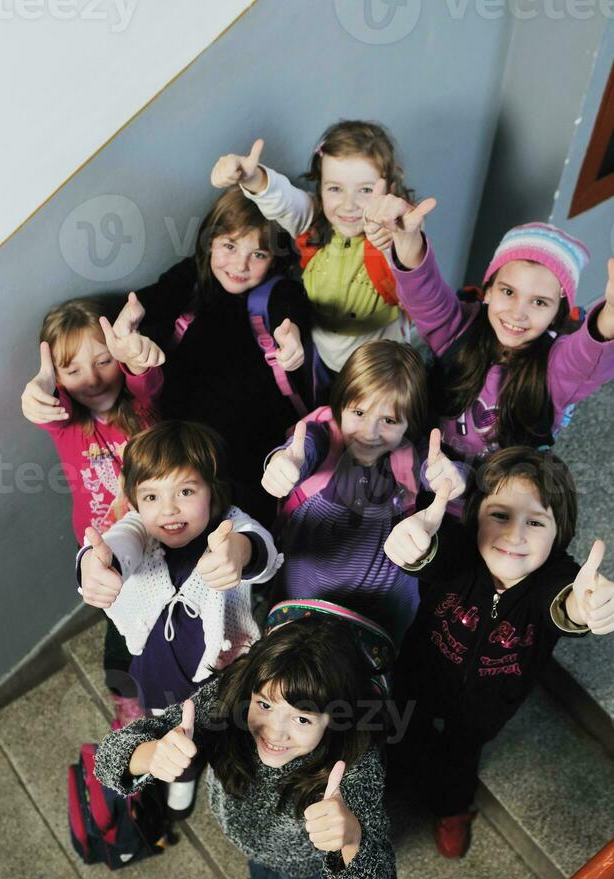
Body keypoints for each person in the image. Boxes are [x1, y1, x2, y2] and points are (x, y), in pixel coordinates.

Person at [94, 617, 396, 879]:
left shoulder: (354, 764)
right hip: (246, 837)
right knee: (259, 874)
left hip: (303, 866)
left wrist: (352, 838)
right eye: (265, 704)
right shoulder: (229, 696)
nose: (275, 733)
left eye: (302, 718)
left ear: (336, 719)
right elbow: (106, 763)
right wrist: (149, 754)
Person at [383, 447, 614, 859]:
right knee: (400, 733)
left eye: (536, 521)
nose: (514, 535)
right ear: (475, 516)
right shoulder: (460, 550)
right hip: (419, 676)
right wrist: (415, 545)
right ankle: (391, 778)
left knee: (460, 758)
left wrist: (585, 607)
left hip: (487, 705)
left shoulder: (556, 576)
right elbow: (434, 552)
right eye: (500, 515)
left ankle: (452, 810)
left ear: (558, 536)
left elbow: (565, 603)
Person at [78, 420, 281, 818]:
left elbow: (262, 550)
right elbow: (117, 547)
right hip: (160, 668)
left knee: (228, 730)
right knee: (173, 735)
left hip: (224, 669)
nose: (168, 510)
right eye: (151, 496)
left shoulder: (229, 525)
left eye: (186, 491)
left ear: (213, 490)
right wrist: (93, 564)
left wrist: (238, 553)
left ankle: (229, 776)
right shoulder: (138, 528)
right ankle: (181, 778)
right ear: (135, 501)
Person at [362, 193, 614, 463]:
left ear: (555, 315)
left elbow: (589, 356)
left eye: (539, 302)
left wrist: (611, 312)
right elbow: (424, 293)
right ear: (489, 291)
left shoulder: (557, 366)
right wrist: (407, 239)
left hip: (496, 495)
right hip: (425, 469)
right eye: (508, 291)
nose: (518, 313)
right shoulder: (458, 328)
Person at [131, 187, 315, 527]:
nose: (240, 265)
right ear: (209, 242)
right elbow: (153, 299)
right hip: (186, 444)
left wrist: (291, 337)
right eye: (229, 246)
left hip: (252, 447)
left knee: (247, 527)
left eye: (258, 254)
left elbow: (290, 311)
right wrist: (127, 321)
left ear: (274, 259)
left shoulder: (277, 292)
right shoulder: (193, 278)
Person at [262, 340, 465, 645]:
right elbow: (300, 452)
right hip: (304, 592)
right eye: (359, 412)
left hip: (377, 606)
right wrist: (282, 462)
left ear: (409, 425)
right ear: (340, 404)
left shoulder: (411, 453)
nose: (370, 432)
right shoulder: (321, 434)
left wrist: (453, 478)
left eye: (389, 420)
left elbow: (436, 468)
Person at [20, 297, 165, 724]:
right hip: (110, 557)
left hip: (167, 534)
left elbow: (145, 377)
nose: (94, 378)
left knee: (170, 613)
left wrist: (134, 357)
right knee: (121, 632)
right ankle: (125, 700)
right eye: (73, 370)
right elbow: (45, 407)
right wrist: (41, 390)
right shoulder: (66, 422)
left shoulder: (140, 404)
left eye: (103, 361)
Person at [212, 120, 421, 382]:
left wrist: (400, 230)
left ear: (390, 188)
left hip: (379, 370)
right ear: (320, 186)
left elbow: (412, 255)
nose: (349, 205)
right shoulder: (312, 221)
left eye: (365, 190)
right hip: (321, 359)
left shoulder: (389, 233)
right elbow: (284, 200)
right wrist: (252, 178)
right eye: (335, 188)